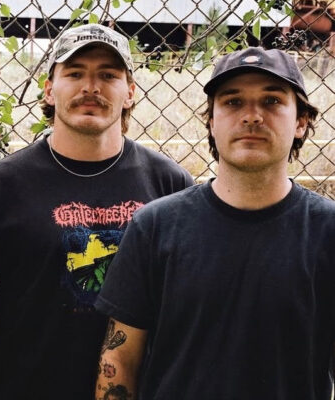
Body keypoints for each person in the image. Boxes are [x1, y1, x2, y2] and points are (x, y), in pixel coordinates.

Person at [0, 24, 194, 400]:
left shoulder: (170, 184)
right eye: (75, 73)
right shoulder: (1, 187)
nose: (91, 87)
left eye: (108, 75)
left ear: (130, 92)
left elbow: (186, 319)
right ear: (49, 89)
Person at [94, 47, 334, 399]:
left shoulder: (327, 232)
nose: (252, 117)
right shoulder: (155, 226)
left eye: (271, 101)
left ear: (301, 122)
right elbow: (119, 360)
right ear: (211, 121)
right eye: (233, 102)